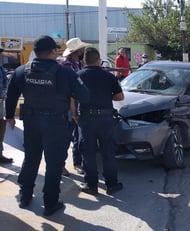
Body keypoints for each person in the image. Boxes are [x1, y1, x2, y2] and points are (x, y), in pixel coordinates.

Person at [5, 35, 89, 216]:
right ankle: (50, 203)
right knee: (54, 163)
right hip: (56, 124)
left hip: (32, 123)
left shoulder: (21, 71)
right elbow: (84, 95)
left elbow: (11, 95)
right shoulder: (66, 73)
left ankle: (25, 195)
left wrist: (10, 116)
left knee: (31, 158)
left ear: (35, 52)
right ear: (53, 52)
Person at [77, 47, 124, 195]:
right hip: (105, 118)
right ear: (98, 60)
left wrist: (74, 116)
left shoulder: (78, 76)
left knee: (88, 152)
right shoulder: (109, 76)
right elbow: (120, 97)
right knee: (108, 151)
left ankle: (91, 185)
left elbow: (71, 98)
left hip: (86, 118)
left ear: (85, 60)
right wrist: (105, 96)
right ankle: (112, 184)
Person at [61, 37, 90, 175]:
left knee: (77, 135)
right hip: (70, 105)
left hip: (78, 103)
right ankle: (62, 163)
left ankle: (77, 162)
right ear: (77, 51)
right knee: (68, 136)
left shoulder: (78, 63)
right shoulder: (68, 66)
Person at [0, 47, 13, 164]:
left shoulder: (1, 69)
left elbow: (4, 86)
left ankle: (0, 154)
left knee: (1, 126)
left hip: (0, 102)